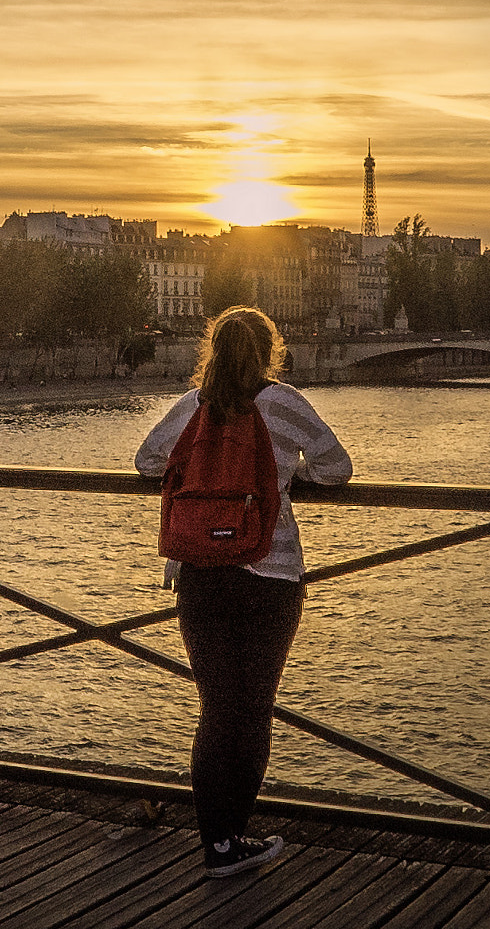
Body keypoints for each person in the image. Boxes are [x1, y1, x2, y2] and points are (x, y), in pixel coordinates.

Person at [134, 307, 352, 878]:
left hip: (201, 571)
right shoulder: (283, 404)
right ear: (268, 352)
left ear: (212, 352)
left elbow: (148, 460)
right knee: (251, 711)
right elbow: (338, 467)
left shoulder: (192, 406)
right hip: (268, 573)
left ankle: (217, 847)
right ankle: (236, 836)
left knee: (216, 709)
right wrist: (286, 479)